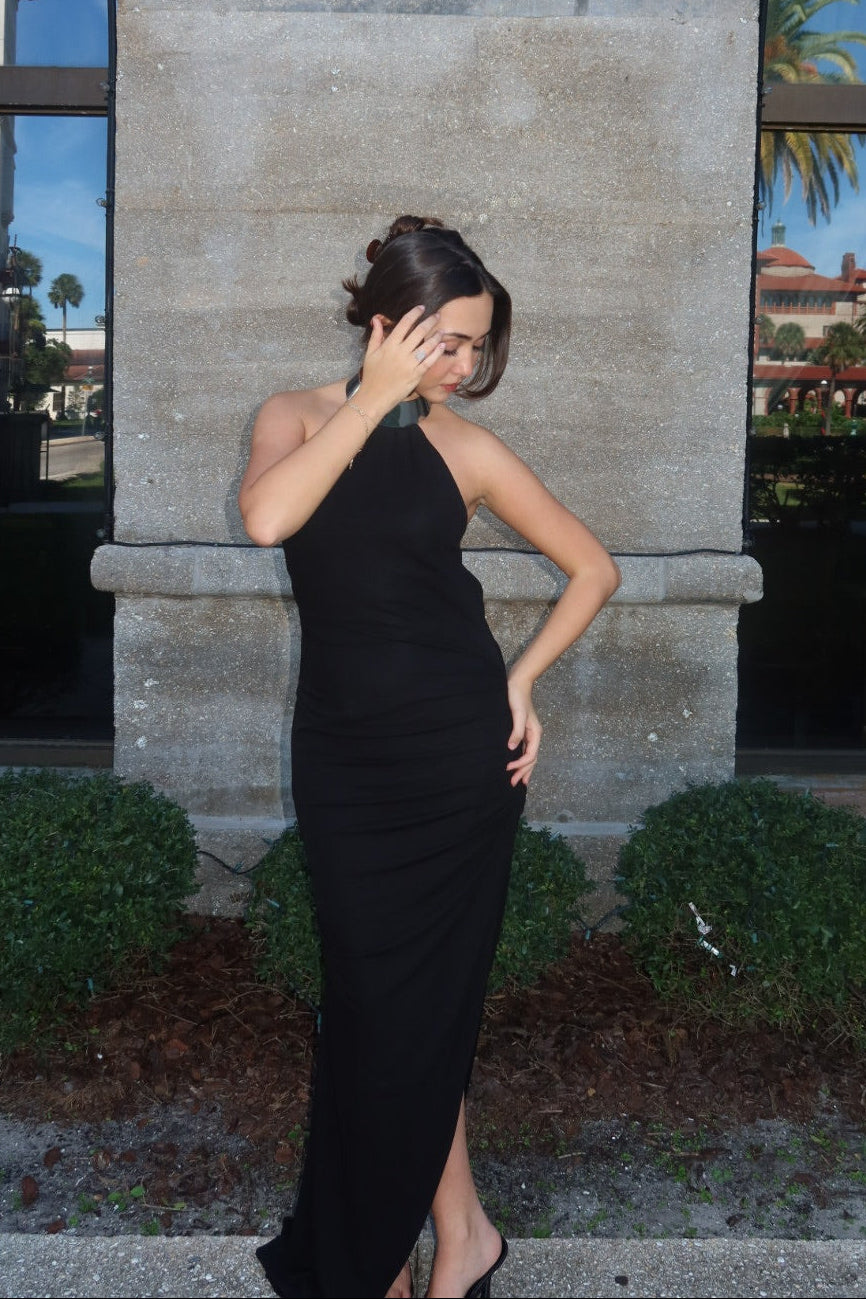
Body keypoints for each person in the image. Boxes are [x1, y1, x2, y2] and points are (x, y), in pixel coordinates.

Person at [239, 215, 620, 1299]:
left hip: (457, 762)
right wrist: (370, 400)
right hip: (345, 764)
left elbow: (592, 571)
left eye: (474, 345)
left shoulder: (469, 450)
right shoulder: (296, 418)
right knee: (378, 1008)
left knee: (409, 1013)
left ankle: (392, 1261)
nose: (460, 365)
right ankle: (458, 1235)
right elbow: (270, 519)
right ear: (381, 324)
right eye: (443, 341)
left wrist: (520, 679)